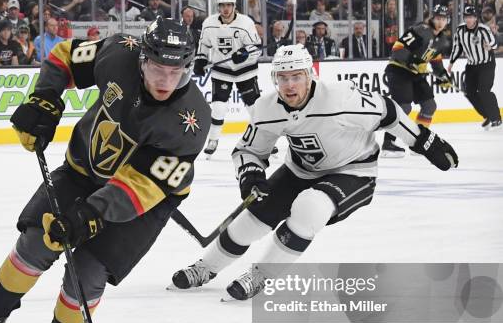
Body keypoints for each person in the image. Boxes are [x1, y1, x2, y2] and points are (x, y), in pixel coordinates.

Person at [0, 17, 210, 323]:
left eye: (176, 71)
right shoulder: (119, 54)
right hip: (84, 169)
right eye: (158, 68)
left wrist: (89, 216)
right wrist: (45, 99)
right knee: (37, 239)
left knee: (87, 269)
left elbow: (144, 185)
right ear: (143, 58)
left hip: (146, 199)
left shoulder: (190, 120)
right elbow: (65, 56)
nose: (165, 81)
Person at [171, 45, 459, 300]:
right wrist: (251, 176)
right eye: (282, 78)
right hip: (300, 170)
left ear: (310, 75)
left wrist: (426, 142)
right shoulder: (267, 108)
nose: (289, 85)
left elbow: (389, 113)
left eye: (296, 76)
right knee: (251, 221)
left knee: (309, 208)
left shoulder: (341, 99)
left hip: (354, 172)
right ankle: (206, 268)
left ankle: (263, 274)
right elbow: (249, 150)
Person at [194, 0, 261, 157]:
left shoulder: (246, 22)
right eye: (223, 6)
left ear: (234, 6)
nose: (226, 9)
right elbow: (203, 46)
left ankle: (262, 139)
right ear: (218, 7)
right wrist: (200, 60)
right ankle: (213, 140)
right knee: (218, 107)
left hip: (245, 71)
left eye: (229, 5)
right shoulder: (209, 24)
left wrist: (244, 55)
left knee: (254, 108)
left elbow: (256, 48)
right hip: (222, 71)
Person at [381, 5, 452, 157]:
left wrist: (443, 76)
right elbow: (397, 49)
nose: (440, 22)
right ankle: (388, 144)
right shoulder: (420, 30)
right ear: (432, 18)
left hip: (416, 74)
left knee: (429, 106)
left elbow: (436, 62)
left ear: (447, 21)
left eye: (443, 19)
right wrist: (413, 61)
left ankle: (418, 143)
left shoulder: (442, 40)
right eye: (438, 18)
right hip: (398, 70)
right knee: (404, 107)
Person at [448, 5, 501, 129]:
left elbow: (494, 42)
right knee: (469, 92)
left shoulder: (483, 29)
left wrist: (490, 46)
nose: (468, 20)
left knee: (484, 91)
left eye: (471, 17)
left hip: (486, 64)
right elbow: (457, 47)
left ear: (476, 18)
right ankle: (487, 115)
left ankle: (496, 118)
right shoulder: (460, 30)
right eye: (466, 17)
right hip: (471, 65)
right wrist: (451, 62)